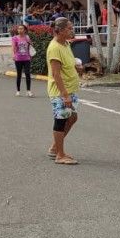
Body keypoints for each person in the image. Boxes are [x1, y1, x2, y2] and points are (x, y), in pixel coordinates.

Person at [47, 17, 82, 165]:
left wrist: (77, 67)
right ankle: (60, 155)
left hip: (70, 88)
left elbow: (68, 64)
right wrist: (65, 95)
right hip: (60, 91)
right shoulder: (54, 48)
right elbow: (56, 74)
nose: (71, 30)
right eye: (69, 28)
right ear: (60, 31)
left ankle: (55, 148)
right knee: (60, 121)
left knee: (72, 117)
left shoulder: (66, 44)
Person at [11, 24, 33, 97]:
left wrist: (30, 54)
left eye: (21, 29)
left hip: (26, 58)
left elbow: (30, 46)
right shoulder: (15, 38)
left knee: (27, 74)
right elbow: (13, 47)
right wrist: (13, 55)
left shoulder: (27, 37)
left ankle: (28, 91)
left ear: (25, 30)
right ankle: (18, 90)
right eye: (19, 29)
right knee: (19, 75)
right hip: (18, 58)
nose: (20, 30)